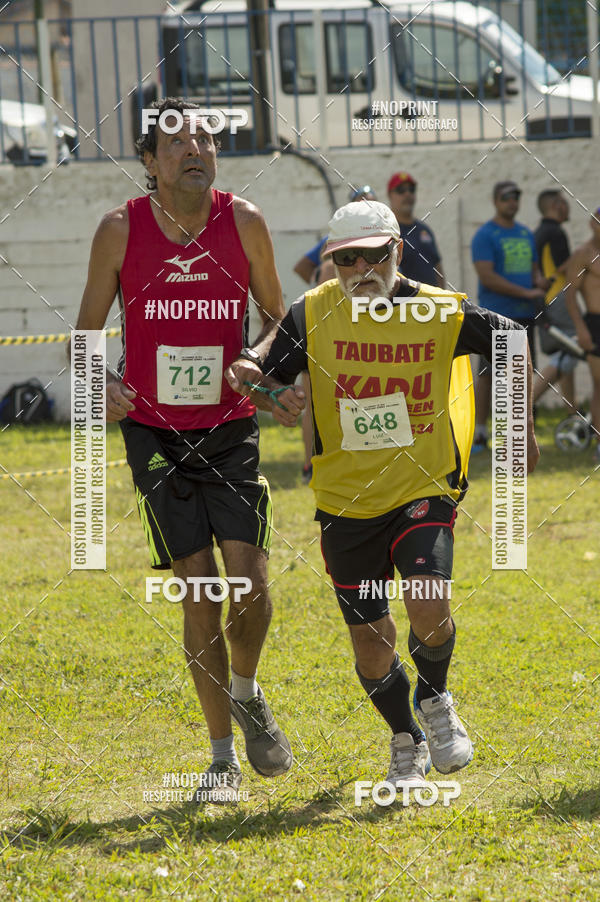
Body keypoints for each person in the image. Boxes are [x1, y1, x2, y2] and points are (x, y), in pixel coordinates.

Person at [229, 201, 539, 788]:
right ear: (334, 263)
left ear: (396, 251)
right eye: (347, 258)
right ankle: (406, 738)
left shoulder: (436, 309)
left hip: (422, 487)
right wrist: (267, 391)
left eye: (373, 255)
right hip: (345, 502)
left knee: (428, 602)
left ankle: (437, 698)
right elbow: (258, 369)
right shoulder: (313, 313)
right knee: (373, 645)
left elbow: (512, 338)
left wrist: (518, 422)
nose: (361, 268)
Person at [73, 98, 292, 803]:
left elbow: (279, 319)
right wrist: (100, 383)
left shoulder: (245, 221)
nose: (195, 149)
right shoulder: (118, 231)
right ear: (149, 160)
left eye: (205, 138)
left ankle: (247, 690)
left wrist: (258, 359)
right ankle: (222, 759)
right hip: (155, 434)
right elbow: (82, 342)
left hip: (230, 426)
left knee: (249, 583)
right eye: (178, 141)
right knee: (198, 590)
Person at [294, 185, 377, 482]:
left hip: (353, 331)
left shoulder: (377, 248)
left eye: (371, 203)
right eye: (360, 203)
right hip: (328, 331)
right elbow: (303, 267)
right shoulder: (332, 249)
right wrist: (318, 283)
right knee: (318, 402)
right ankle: (311, 465)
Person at [471, 180, 546, 451]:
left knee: (522, 374)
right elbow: (487, 277)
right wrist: (526, 293)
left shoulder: (526, 234)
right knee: (490, 373)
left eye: (515, 197)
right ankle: (480, 433)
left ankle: (518, 434)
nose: (512, 202)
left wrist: (540, 284)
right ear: (495, 201)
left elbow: (534, 270)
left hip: (525, 316)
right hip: (495, 316)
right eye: (506, 198)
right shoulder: (485, 235)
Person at [533, 189, 578, 410]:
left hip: (546, 299)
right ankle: (525, 404)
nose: (568, 207)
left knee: (565, 351)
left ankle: (572, 413)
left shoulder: (539, 231)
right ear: (556, 205)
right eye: (565, 203)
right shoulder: (556, 232)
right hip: (558, 297)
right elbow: (565, 267)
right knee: (575, 346)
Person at [564, 208, 600, 459]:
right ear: (592, 224)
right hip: (595, 323)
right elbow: (570, 294)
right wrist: (581, 327)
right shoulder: (583, 254)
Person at [386, 171, 445, 287]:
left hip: (431, 302)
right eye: (401, 190)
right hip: (404, 303)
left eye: (411, 189)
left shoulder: (424, 230)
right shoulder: (387, 231)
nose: (407, 194)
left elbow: (437, 268)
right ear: (390, 195)